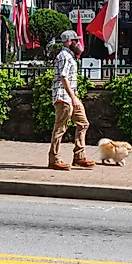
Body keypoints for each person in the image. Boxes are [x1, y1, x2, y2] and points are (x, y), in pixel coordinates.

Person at [48, 30, 94, 171]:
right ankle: (54, 159)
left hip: (70, 97)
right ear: (69, 42)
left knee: (83, 123)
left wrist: (75, 97)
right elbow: (63, 77)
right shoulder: (64, 56)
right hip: (63, 97)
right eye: (76, 40)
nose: (79, 43)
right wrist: (73, 98)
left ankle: (79, 156)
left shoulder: (70, 56)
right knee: (60, 128)